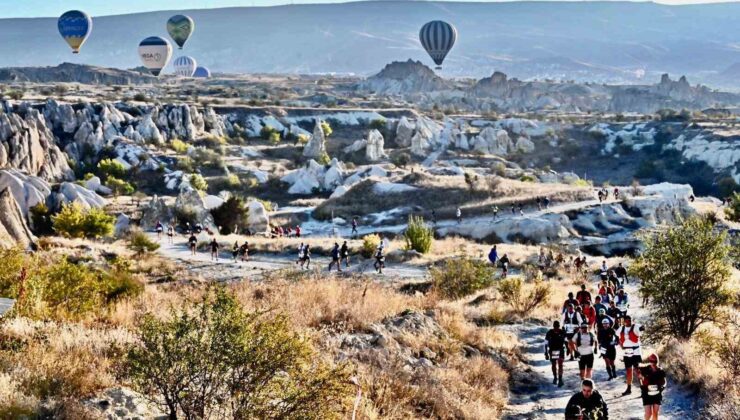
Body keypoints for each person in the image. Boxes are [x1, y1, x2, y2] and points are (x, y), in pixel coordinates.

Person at [616, 315, 645, 395]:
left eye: (630, 320)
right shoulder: (622, 328)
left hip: (635, 351)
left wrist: (641, 328)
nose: (629, 322)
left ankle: (643, 389)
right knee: (629, 370)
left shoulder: (635, 326)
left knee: (638, 370)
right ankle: (629, 389)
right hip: (626, 351)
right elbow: (616, 334)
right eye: (627, 320)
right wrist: (620, 343)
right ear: (624, 321)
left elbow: (641, 327)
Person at [639, 353, 667, 420]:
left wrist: (662, 387)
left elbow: (664, 382)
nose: (653, 363)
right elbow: (639, 374)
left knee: (655, 413)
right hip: (646, 393)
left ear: (657, 361)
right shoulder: (645, 369)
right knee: (648, 414)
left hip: (657, 393)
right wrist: (641, 382)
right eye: (651, 361)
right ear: (649, 361)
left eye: (654, 361)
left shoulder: (660, 371)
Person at [545, 320, 567, 387]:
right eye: (555, 327)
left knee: (560, 364)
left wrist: (568, 349)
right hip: (553, 350)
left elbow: (566, 341)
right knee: (554, 364)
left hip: (560, 349)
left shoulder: (562, 332)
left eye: (557, 327)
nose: (556, 328)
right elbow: (545, 343)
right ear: (553, 326)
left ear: (559, 327)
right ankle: (555, 377)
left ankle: (560, 379)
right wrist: (545, 352)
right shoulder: (550, 332)